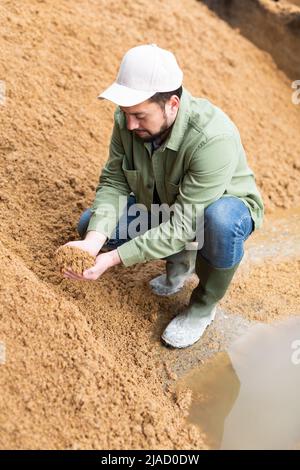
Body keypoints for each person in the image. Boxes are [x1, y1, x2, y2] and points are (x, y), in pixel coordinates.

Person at [61, 44, 264, 349]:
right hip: (165, 207)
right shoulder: (127, 121)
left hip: (217, 213)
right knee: (92, 223)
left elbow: (185, 225)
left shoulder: (212, 138)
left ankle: (202, 307)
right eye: (127, 114)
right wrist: (94, 242)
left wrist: (114, 258)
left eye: (140, 115)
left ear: (172, 104)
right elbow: (115, 182)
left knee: (218, 221)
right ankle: (181, 261)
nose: (130, 124)